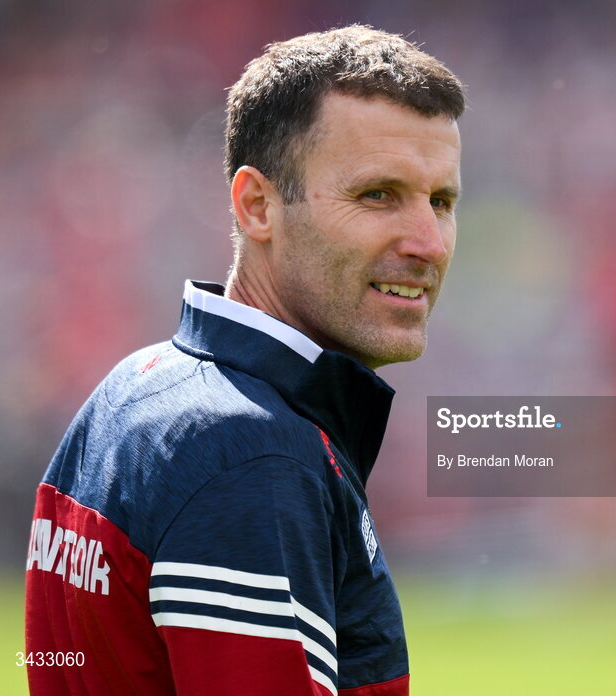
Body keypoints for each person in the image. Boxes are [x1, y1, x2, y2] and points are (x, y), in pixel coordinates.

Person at [24, 25, 464, 696]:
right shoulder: (252, 454)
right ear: (257, 205)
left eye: (441, 201)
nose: (428, 242)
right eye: (378, 194)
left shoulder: (133, 389)